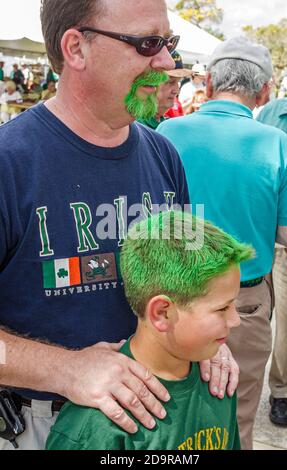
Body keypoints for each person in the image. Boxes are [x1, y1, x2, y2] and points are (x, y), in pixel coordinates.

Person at [0, 0, 238, 451]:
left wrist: (211, 338)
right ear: (77, 48)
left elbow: (190, 285)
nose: (167, 63)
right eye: (147, 43)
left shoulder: (163, 155)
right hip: (48, 428)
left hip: (163, 420)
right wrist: (64, 369)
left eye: (169, 43)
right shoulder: (10, 162)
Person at [158, 36, 287, 449]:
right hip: (242, 304)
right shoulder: (276, 144)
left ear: (207, 83)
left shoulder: (168, 131)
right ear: (263, 92)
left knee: (167, 413)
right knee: (233, 419)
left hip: (171, 295)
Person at [46, 211, 252, 450]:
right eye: (222, 308)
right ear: (162, 313)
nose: (236, 320)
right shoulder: (95, 429)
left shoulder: (219, 381)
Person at [257, 51, 287, 427]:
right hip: (268, 235)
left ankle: (282, 389)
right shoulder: (272, 114)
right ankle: (272, 387)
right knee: (263, 317)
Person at [138, 51, 191, 129]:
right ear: (150, 83)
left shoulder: (167, 125)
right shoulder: (136, 126)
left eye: (178, 82)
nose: (176, 91)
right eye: (170, 82)